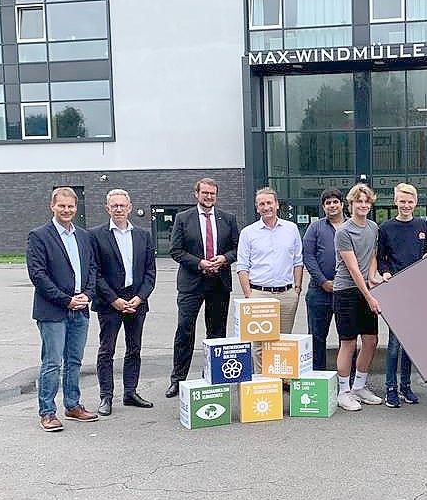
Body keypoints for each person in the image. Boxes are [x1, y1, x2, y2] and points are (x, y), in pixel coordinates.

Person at [26, 186, 99, 431]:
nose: (66, 210)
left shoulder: (84, 235)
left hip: (81, 308)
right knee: (52, 362)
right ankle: (47, 412)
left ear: (76, 208)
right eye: (62, 206)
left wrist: (87, 294)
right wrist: (66, 299)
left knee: (75, 361)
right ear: (52, 206)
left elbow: (92, 269)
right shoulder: (39, 235)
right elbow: (38, 275)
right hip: (53, 310)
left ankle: (72, 405)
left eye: (71, 206)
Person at [164, 178, 240, 398]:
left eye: (212, 194)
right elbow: (175, 250)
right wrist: (200, 263)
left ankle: (214, 376)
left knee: (217, 332)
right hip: (192, 283)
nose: (208, 197)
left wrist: (224, 259)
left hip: (219, 282)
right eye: (205, 193)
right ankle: (177, 379)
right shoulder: (183, 218)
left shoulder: (228, 219)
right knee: (185, 330)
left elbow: (237, 248)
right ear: (196, 194)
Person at [89, 189, 157, 416]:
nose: (118, 209)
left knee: (134, 349)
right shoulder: (96, 235)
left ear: (129, 208)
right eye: (114, 206)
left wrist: (140, 298)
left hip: (137, 300)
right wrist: (115, 300)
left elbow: (150, 272)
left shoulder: (143, 235)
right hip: (110, 303)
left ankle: (130, 392)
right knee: (106, 350)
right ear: (107, 208)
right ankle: (106, 397)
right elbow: (95, 273)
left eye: (122, 205)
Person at [237, 187, 304, 371]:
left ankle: (280, 378)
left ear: (277, 205)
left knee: (282, 342)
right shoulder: (248, 233)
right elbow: (242, 266)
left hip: (287, 294)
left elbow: (298, 260)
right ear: (257, 208)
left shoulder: (291, 229)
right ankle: (262, 382)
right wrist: (249, 295)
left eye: (269, 203)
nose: (266, 207)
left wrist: (297, 289)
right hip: (259, 294)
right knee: (259, 344)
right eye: (262, 204)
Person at [378, 183, 427, 408]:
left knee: (411, 343)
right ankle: (390, 388)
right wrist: (386, 272)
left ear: (415, 203)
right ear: (395, 202)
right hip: (397, 289)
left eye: (410, 201)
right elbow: (381, 257)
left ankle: (406, 387)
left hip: (417, 290)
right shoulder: (386, 228)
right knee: (394, 344)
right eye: (402, 201)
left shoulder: (422, 225)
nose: (406, 205)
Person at [333, 183, 384, 411]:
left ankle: (359, 387)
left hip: (366, 290)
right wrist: (370, 297)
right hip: (346, 291)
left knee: (371, 340)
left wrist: (373, 277)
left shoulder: (373, 227)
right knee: (348, 343)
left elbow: (372, 255)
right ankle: (343, 392)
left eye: (366, 202)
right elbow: (353, 269)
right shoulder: (343, 231)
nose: (363, 205)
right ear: (350, 204)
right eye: (358, 202)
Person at [302, 188, 346, 371]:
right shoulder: (315, 227)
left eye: (335, 202)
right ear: (323, 207)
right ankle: (317, 377)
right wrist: (323, 281)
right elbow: (308, 256)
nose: (332, 206)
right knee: (317, 337)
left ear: (342, 204)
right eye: (328, 203)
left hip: (346, 291)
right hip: (319, 292)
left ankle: (347, 381)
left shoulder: (351, 226)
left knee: (347, 337)